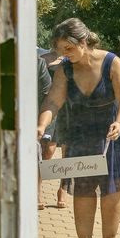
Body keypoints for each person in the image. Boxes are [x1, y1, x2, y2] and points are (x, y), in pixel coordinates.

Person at [37, 18, 120, 238]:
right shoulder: (65, 69)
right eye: (61, 50)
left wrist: (119, 121)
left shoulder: (112, 62)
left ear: (83, 42)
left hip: (111, 132)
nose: (64, 55)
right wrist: (41, 125)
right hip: (80, 131)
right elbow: (53, 101)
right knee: (82, 188)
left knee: (112, 188)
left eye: (68, 49)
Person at [39, 48, 69, 209]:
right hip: (50, 109)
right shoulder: (43, 59)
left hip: (69, 110)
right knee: (48, 151)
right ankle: (38, 190)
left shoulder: (71, 59)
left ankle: (62, 190)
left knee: (67, 152)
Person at [37, 54, 52, 211]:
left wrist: (42, 125)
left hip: (37, 116)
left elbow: (49, 95)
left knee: (43, 154)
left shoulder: (38, 64)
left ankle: (37, 191)